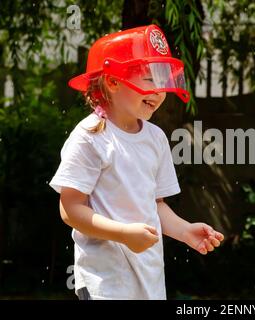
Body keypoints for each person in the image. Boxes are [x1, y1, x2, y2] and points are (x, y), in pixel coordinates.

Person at [49, 24, 224, 300]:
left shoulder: (155, 138)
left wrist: (184, 230)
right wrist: (123, 233)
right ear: (113, 81)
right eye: (149, 79)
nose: (159, 91)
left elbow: (156, 205)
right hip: (105, 282)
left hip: (149, 279)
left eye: (163, 79)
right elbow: (70, 209)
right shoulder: (90, 137)